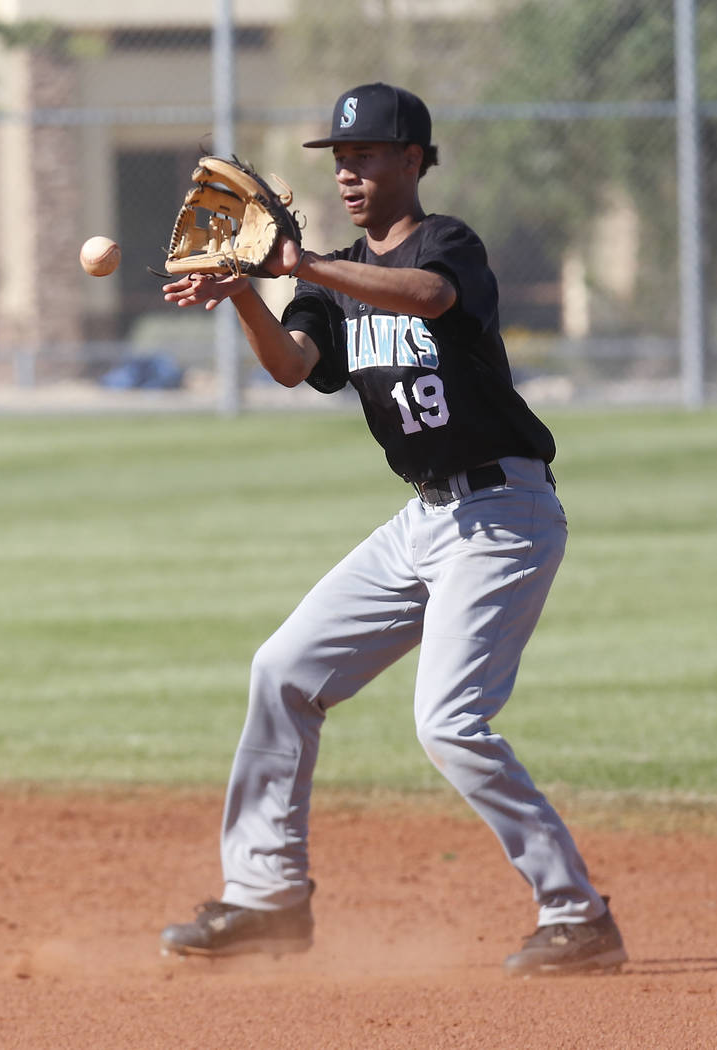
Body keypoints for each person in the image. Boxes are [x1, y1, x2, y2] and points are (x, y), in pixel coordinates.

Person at [159, 82, 627, 977]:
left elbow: (424, 297)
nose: (348, 174)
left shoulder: (447, 244)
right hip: (423, 520)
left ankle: (577, 914)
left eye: (366, 156)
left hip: (503, 511)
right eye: (339, 160)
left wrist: (298, 266)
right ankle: (267, 899)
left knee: (450, 723)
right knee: (284, 672)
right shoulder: (327, 277)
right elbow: (295, 367)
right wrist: (246, 293)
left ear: (413, 160)